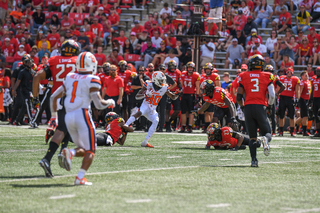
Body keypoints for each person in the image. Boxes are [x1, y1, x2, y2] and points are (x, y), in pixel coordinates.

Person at [52, 52, 114, 185]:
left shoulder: (69, 77)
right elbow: (98, 104)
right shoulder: (92, 79)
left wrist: (53, 117)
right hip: (82, 115)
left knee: (84, 148)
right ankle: (80, 177)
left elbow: (53, 97)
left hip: (68, 117)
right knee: (91, 149)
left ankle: (71, 152)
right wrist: (109, 102)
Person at [33, 40, 80, 177]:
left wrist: (35, 98)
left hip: (56, 98)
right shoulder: (78, 61)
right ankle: (48, 158)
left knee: (66, 128)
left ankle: (62, 151)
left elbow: (37, 77)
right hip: (72, 99)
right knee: (64, 129)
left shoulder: (54, 60)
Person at [237, 54, 275, 167]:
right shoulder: (267, 75)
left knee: (252, 137)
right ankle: (265, 139)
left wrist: (243, 106)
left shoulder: (243, 75)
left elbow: (238, 97)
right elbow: (272, 95)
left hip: (248, 107)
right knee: (268, 133)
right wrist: (270, 105)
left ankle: (254, 161)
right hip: (260, 107)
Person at [125, 71, 179, 147]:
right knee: (140, 112)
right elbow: (137, 96)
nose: (162, 82)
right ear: (155, 80)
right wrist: (146, 95)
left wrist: (177, 94)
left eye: (162, 80)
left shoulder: (164, 87)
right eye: (160, 80)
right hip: (146, 105)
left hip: (153, 109)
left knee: (156, 120)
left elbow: (172, 97)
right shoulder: (148, 84)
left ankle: (145, 141)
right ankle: (126, 125)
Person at [12, 54, 37, 127]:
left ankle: (17, 120)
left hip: (30, 91)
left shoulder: (33, 72)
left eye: (30, 62)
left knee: (24, 106)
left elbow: (35, 83)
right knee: (28, 105)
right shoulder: (22, 72)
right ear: (25, 63)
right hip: (23, 91)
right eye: (27, 62)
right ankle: (31, 121)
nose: (29, 63)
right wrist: (14, 90)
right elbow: (18, 81)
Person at [278, 68, 300, 136]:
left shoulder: (295, 79)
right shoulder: (281, 78)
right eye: (288, 72)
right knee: (281, 115)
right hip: (282, 98)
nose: (289, 73)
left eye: (290, 72)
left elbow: (297, 90)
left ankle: (292, 131)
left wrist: (297, 99)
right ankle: (281, 130)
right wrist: (277, 97)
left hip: (290, 98)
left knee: (292, 116)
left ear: (292, 73)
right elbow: (278, 89)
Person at [179, 62, 200, 133]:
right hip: (184, 94)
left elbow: (197, 87)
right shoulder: (183, 74)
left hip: (191, 95)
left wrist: (197, 96)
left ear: (193, 68)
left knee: (191, 111)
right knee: (183, 111)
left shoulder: (196, 75)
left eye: (191, 68)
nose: (190, 69)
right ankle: (183, 126)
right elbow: (182, 85)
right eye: (189, 68)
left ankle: (190, 126)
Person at [299, 71, 311, 136]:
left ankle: (294, 126)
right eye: (305, 75)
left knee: (303, 116)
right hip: (303, 99)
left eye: (307, 75)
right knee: (305, 116)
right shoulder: (302, 82)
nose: (307, 76)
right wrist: (299, 100)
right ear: (302, 76)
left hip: (307, 100)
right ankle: (304, 131)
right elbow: (300, 91)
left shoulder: (308, 81)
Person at [310, 67, 320, 137]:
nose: (318, 72)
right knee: (316, 116)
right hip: (315, 99)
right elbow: (312, 89)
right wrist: (310, 99)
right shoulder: (313, 78)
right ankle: (318, 131)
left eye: (319, 71)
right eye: (317, 71)